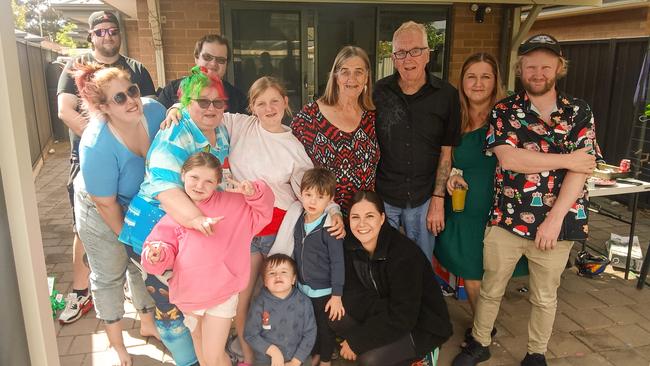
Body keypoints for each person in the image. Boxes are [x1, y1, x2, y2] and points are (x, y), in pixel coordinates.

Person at [452, 34, 601, 366]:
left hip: (558, 224)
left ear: (559, 68)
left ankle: (536, 353)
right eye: (531, 66)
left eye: (545, 66)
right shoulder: (505, 110)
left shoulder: (579, 111)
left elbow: (584, 168)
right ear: (520, 69)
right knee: (490, 288)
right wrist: (566, 159)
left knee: (545, 297)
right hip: (507, 218)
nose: (538, 73)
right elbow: (509, 159)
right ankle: (479, 342)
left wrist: (554, 219)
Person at [119, 66, 232, 366]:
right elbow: (167, 191)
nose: (210, 108)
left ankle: (207, 356)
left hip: (188, 232)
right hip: (153, 234)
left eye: (217, 101)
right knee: (171, 305)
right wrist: (198, 222)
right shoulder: (173, 135)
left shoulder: (218, 129)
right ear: (188, 103)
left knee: (193, 303)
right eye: (202, 101)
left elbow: (220, 173)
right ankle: (188, 361)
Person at [56, 10, 156, 325]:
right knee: (97, 247)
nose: (107, 35)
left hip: (130, 171)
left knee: (135, 259)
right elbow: (64, 110)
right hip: (93, 172)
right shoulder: (75, 66)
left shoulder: (135, 68)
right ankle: (81, 290)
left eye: (112, 29)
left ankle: (147, 317)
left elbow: (150, 113)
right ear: (91, 36)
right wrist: (107, 139)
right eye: (100, 31)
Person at [142, 152, 274, 366]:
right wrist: (156, 254)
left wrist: (255, 191)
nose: (199, 186)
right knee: (203, 353)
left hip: (222, 292)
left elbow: (264, 211)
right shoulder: (176, 208)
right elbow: (160, 246)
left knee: (212, 356)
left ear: (217, 183)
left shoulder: (235, 204)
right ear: (183, 175)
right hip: (190, 294)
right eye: (194, 178)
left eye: (208, 181)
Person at [72, 64, 161, 365]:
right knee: (111, 272)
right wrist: (128, 238)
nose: (131, 100)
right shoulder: (96, 144)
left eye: (132, 91)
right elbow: (105, 203)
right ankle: (116, 342)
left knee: (141, 264)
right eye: (119, 98)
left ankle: (148, 322)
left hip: (138, 201)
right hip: (99, 206)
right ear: (103, 107)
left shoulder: (154, 111)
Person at [434, 53, 528, 324]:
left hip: (499, 206)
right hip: (463, 207)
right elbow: (445, 158)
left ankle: (484, 328)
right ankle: (482, 329)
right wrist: (452, 174)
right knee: (470, 270)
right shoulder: (454, 115)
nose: (477, 83)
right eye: (471, 76)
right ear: (461, 81)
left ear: (495, 81)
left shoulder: (509, 117)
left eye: (485, 76)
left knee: (493, 274)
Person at [373, 21, 461, 262]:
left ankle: (419, 301)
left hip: (424, 197)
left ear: (427, 55)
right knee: (382, 261)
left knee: (421, 263)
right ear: (393, 57)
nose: (407, 58)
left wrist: (438, 199)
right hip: (384, 193)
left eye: (415, 51)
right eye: (400, 52)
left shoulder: (447, 95)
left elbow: (446, 152)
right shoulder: (378, 92)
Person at [332, 191, 452, 366]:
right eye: (355, 217)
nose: (362, 224)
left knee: (368, 360)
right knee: (333, 315)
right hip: (386, 313)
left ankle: (424, 355)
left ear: (382, 218)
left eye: (369, 216)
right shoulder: (349, 245)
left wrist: (357, 341)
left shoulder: (403, 253)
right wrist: (381, 315)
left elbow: (404, 315)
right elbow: (350, 294)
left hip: (420, 324)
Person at [291, 46, 379, 213]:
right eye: (345, 71)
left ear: (367, 77)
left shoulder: (372, 118)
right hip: (324, 219)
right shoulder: (310, 116)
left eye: (358, 72)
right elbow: (288, 163)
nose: (351, 78)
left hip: (362, 218)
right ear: (336, 76)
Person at [293, 168, 344, 366]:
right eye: (308, 195)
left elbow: (338, 262)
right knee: (309, 325)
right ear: (301, 194)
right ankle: (315, 354)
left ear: (330, 199)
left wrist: (337, 295)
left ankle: (325, 360)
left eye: (320, 197)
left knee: (325, 328)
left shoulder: (329, 225)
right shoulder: (298, 219)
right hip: (303, 288)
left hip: (324, 291)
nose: (312, 201)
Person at [245, 254, 317, 366]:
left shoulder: (303, 302)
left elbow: (310, 333)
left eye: (284, 272)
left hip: (298, 359)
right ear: (265, 282)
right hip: (266, 360)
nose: (278, 276)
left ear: (293, 279)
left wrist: (296, 361)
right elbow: (250, 335)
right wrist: (273, 352)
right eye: (272, 273)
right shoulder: (259, 303)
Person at [157, 34, 247, 113]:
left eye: (221, 60)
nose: (213, 64)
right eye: (207, 57)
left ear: (226, 64)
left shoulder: (237, 99)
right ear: (196, 58)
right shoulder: (172, 91)